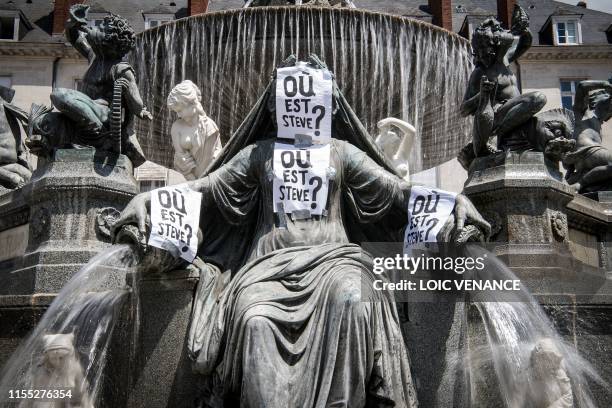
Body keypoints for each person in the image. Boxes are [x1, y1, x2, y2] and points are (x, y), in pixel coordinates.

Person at [112, 58, 491, 407]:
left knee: (352, 303)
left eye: (313, 98)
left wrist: (450, 201)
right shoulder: (260, 154)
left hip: (337, 262)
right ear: (276, 108)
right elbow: (206, 188)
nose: (302, 106)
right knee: (253, 320)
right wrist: (151, 201)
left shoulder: (341, 152)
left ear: (326, 105)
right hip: (266, 269)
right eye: (292, 100)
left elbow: (397, 191)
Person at [27, 4, 150, 166]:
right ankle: (69, 143)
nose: (96, 29)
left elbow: (136, 102)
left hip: (103, 116)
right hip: (83, 111)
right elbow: (75, 38)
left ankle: (101, 138)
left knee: (59, 95)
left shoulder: (120, 68)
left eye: (102, 28)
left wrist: (141, 110)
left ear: (111, 40)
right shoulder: (95, 56)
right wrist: (73, 23)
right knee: (43, 121)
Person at [460, 6, 546, 155]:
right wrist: (482, 94)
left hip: (517, 109)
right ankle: (495, 134)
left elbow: (525, 44)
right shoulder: (480, 72)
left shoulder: (505, 59)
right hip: (498, 114)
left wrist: (524, 29)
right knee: (538, 98)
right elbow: (464, 109)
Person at [563, 80, 612, 193]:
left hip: (585, 162)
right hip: (588, 153)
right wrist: (605, 84)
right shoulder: (583, 113)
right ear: (599, 101)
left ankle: (580, 182)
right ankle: (580, 184)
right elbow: (581, 86)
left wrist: (570, 173)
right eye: (609, 101)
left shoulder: (598, 124)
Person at [167, 81, 223, 180]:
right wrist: (193, 183)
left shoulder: (209, 126)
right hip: (188, 180)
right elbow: (181, 159)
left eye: (180, 110)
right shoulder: (176, 127)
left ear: (192, 104)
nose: (178, 115)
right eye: (176, 112)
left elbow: (215, 157)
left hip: (210, 179)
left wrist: (205, 183)